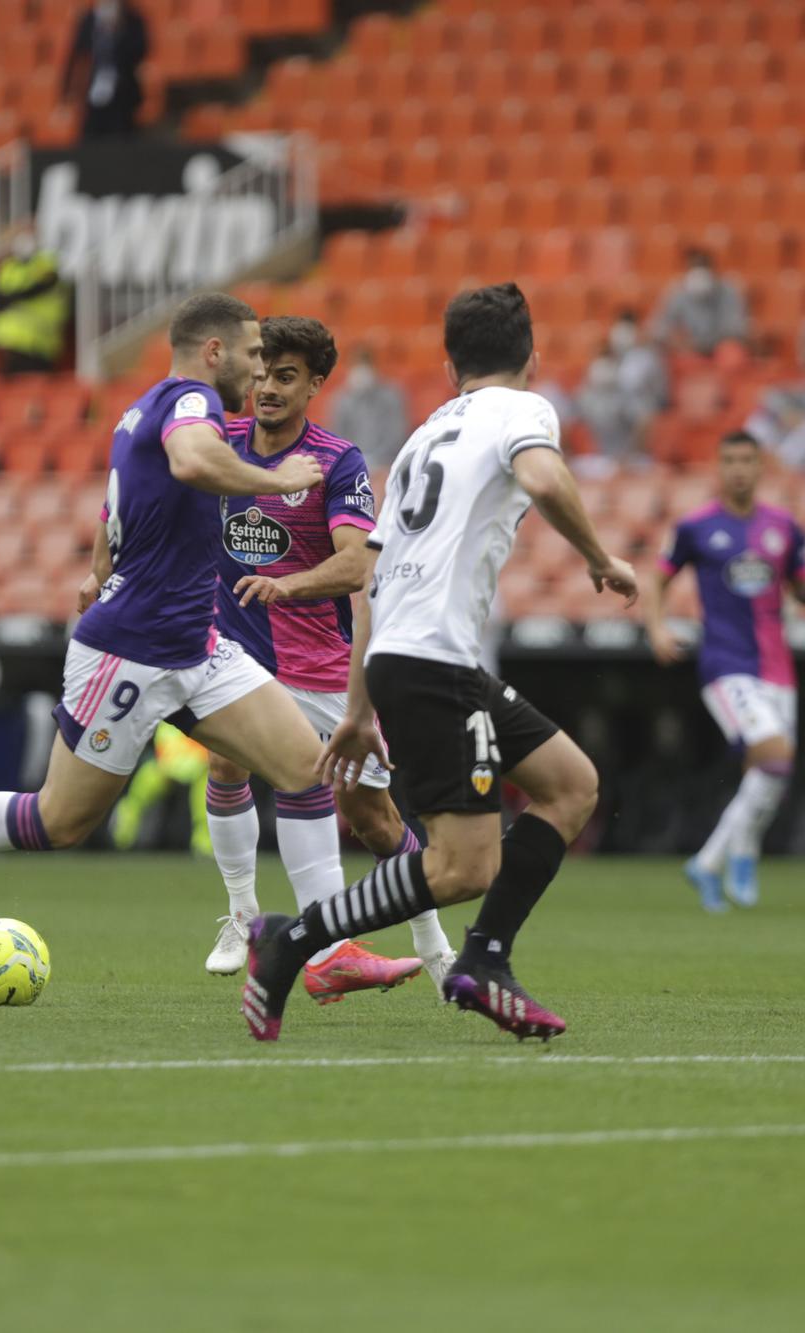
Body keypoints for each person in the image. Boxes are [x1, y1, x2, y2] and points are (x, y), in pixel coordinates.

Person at [0, 293, 330, 923]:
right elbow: (192, 461)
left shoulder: (141, 412)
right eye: (253, 354)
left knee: (307, 768)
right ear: (214, 351)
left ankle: (325, 945)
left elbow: (118, 504)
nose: (259, 370)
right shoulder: (189, 403)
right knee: (59, 819)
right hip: (132, 651)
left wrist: (98, 568)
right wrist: (283, 479)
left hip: (197, 644)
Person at [239, 283, 639, 1042]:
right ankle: (293, 939)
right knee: (461, 867)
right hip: (434, 661)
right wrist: (600, 557)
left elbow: (372, 576)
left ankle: (484, 958)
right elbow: (547, 477)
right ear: (531, 356)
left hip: (410, 652)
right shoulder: (525, 409)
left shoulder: (425, 435)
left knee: (571, 785)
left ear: (451, 364)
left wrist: (359, 706)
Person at [181, 314, 453, 997]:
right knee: (224, 757)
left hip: (322, 667)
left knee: (375, 820)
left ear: (316, 384)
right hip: (236, 655)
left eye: (287, 376)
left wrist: (289, 585)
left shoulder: (338, 460)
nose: (268, 387)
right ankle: (244, 914)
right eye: (263, 372)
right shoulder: (220, 445)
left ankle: (436, 944)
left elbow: (357, 564)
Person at [640, 431, 805, 911]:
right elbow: (659, 578)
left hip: (777, 667)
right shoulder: (697, 526)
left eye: (748, 460)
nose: (739, 469)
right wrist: (658, 629)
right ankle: (716, 859)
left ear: (760, 466)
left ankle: (733, 857)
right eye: (730, 460)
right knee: (775, 756)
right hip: (725, 665)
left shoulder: (783, 527)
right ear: (718, 468)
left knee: (770, 773)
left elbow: (804, 592)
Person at [110, 723, 212, 856]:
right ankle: (121, 839)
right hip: (165, 765)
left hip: (199, 767)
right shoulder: (168, 718)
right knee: (136, 798)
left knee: (206, 806)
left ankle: (205, 848)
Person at [60, 0, 150, 141]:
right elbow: (77, 54)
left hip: (123, 94)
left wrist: (118, 31)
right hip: (93, 93)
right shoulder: (89, 19)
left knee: (121, 138)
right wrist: (67, 89)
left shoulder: (132, 19)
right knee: (91, 137)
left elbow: (141, 51)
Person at [0, 227, 70, 376]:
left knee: (36, 382)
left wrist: (11, 298)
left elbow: (41, 286)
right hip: (10, 338)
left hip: (40, 338)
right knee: (15, 388)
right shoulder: (7, 268)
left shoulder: (46, 264)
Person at [654, 249, 749, 355]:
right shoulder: (676, 292)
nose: (699, 276)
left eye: (703, 269)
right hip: (687, 350)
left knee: (732, 354)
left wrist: (708, 343)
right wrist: (677, 340)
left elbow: (737, 329)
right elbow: (660, 328)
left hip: (719, 348)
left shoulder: (728, 291)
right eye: (694, 269)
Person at [326, 348, 410, 467]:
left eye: (364, 366)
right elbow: (337, 436)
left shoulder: (392, 395)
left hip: (387, 464)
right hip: (352, 465)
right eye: (357, 366)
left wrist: (376, 460)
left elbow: (397, 434)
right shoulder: (341, 400)